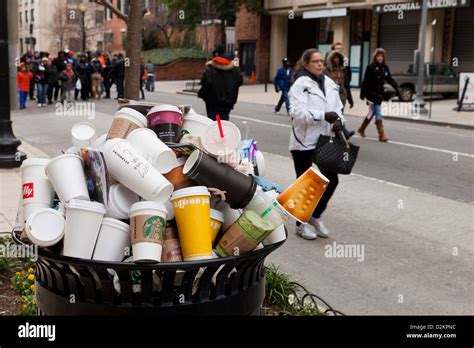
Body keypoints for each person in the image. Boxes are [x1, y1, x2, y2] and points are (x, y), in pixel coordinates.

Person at [289, 48, 344, 240]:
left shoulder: (329, 83)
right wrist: (323, 116)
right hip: (303, 141)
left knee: (332, 180)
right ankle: (300, 225)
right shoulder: (300, 84)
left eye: (321, 61)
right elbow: (298, 114)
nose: (320, 64)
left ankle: (315, 215)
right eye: (315, 61)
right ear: (306, 64)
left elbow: (338, 108)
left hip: (324, 139)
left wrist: (338, 121)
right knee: (306, 186)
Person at [358, 48, 400, 142]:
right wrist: (363, 93)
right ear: (375, 57)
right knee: (378, 112)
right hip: (371, 93)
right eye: (378, 56)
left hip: (379, 93)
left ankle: (361, 129)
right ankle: (382, 135)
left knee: (371, 113)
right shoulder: (370, 67)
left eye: (381, 56)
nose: (380, 58)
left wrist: (397, 87)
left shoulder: (385, 68)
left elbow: (389, 79)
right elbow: (366, 81)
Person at [198, 44, 243, 121]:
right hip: (228, 101)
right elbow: (240, 81)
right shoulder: (234, 68)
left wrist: (203, 93)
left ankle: (215, 132)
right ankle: (223, 132)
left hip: (212, 101)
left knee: (212, 121)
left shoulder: (211, 67)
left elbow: (206, 82)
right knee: (224, 121)